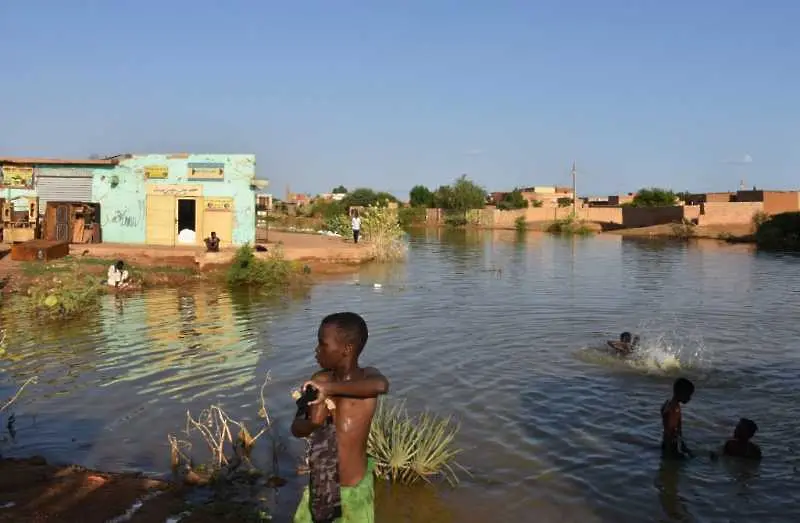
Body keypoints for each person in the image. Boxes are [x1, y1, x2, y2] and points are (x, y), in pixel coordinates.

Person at [292, 312, 389, 523]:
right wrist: (312, 423)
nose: (316, 350)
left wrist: (329, 389)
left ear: (347, 349)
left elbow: (382, 385)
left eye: (322, 344)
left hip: (353, 489)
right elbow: (296, 428)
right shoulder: (318, 380)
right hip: (321, 486)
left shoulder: (368, 378)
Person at [661, 377, 695, 459]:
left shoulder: (671, 405)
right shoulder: (673, 409)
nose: (689, 398)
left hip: (670, 444)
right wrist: (675, 451)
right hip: (672, 446)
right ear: (682, 393)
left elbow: (677, 431)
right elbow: (671, 432)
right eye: (688, 395)